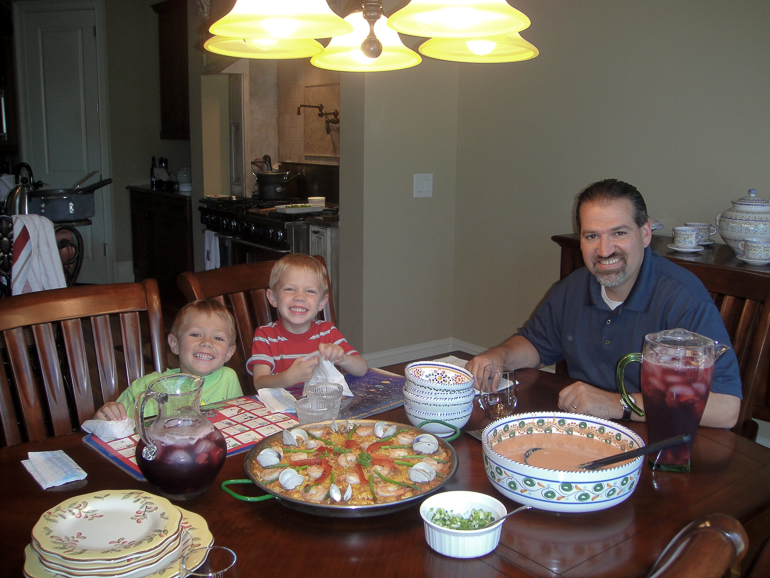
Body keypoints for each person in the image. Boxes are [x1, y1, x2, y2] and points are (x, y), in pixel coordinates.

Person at [467, 179, 741, 428]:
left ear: (645, 233)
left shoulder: (683, 299)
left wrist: (616, 404)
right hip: (585, 430)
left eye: (619, 233)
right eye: (592, 236)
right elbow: (536, 344)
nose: (604, 250)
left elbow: (726, 408)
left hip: (659, 438)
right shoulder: (572, 288)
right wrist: (500, 356)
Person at [92, 299, 242, 420]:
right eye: (196, 334)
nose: (207, 342)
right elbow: (106, 426)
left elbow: (242, 421)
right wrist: (106, 414)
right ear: (175, 344)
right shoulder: (144, 387)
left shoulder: (228, 378)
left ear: (229, 353)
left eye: (218, 338)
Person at [248, 253, 368, 389]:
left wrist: (342, 358)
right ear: (273, 298)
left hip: (323, 406)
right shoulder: (265, 336)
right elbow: (259, 383)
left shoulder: (327, 332)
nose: (299, 297)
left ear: (322, 303)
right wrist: (289, 377)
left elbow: (362, 368)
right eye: (289, 289)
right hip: (281, 408)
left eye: (310, 291)